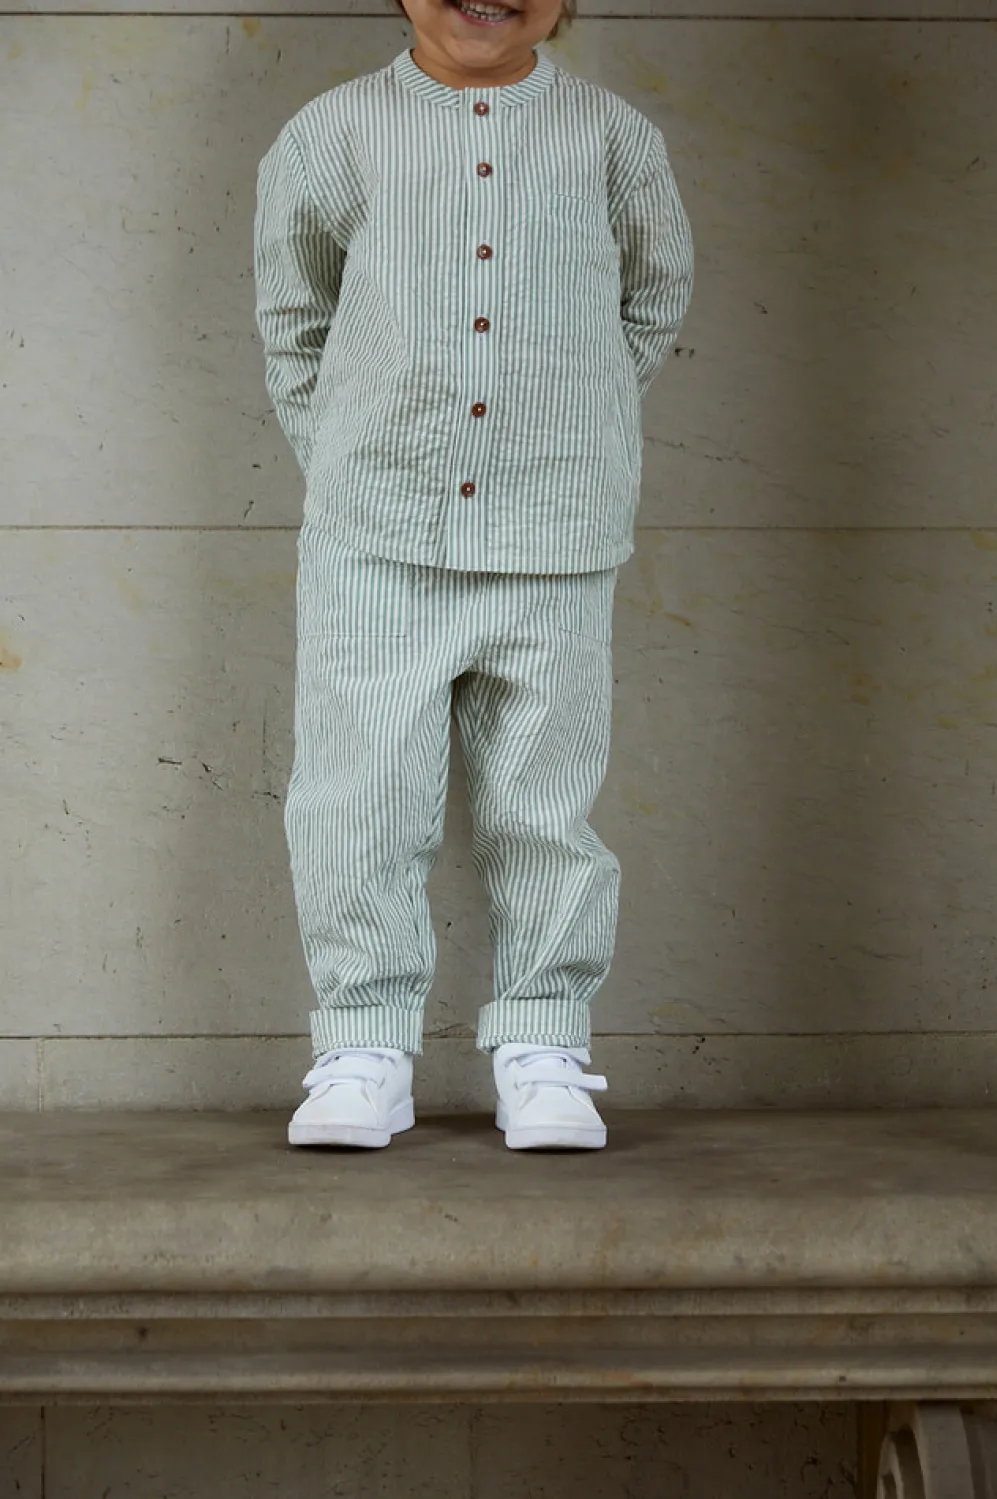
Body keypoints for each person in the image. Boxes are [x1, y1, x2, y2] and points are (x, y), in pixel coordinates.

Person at [253, 0, 694, 1151]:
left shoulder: (612, 138)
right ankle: (363, 1047)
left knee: (545, 803)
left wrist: (569, 428)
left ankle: (543, 1047)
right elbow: (294, 321)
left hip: (557, 526)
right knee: (356, 797)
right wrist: (351, 452)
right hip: (373, 528)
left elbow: (653, 299)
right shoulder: (331, 133)